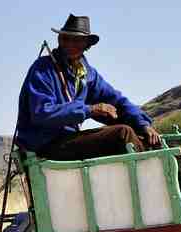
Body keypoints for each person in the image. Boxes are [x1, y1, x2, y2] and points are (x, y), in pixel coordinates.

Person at [15, 14, 161, 160]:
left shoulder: (87, 74)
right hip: (44, 145)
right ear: (59, 40)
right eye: (66, 39)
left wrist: (142, 124)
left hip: (68, 140)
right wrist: (90, 109)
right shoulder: (43, 69)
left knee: (144, 136)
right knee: (122, 134)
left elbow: (117, 101)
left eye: (77, 40)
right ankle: (151, 170)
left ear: (86, 45)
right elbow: (42, 113)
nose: (70, 45)